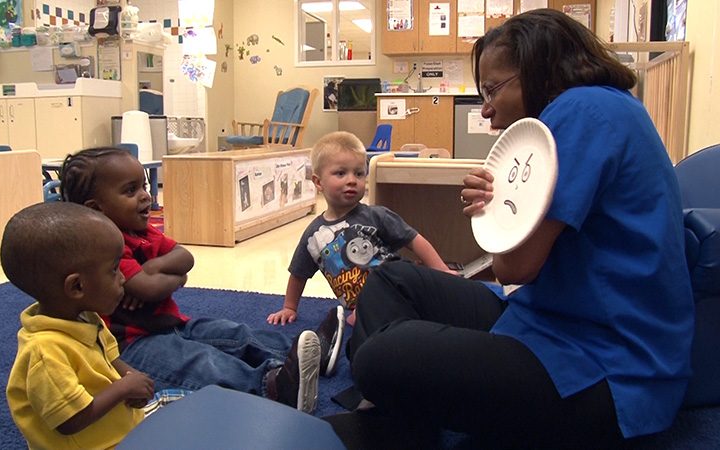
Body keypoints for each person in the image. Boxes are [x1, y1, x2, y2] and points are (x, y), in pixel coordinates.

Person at [343, 9, 694, 449]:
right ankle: (398, 413)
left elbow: (514, 268)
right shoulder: (598, 108)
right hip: (549, 319)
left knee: (379, 357)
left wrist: (492, 211)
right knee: (390, 281)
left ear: (537, 70)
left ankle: (389, 413)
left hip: (609, 368)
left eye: (492, 89)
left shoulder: (583, 111)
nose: (486, 109)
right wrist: (500, 204)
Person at [59, 146, 344, 414]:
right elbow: (149, 288)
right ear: (96, 209)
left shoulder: (142, 233)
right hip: (129, 346)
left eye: (144, 186)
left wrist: (157, 269)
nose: (146, 196)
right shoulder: (103, 250)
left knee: (232, 333)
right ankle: (272, 386)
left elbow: (185, 258)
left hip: (169, 323)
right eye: (130, 190)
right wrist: (167, 278)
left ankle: (307, 354)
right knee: (198, 361)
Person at [3, 202, 155, 449]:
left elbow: (111, 360)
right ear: (76, 287)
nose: (123, 278)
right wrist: (123, 389)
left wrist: (131, 377)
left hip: (121, 431)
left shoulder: (87, 317)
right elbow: (71, 420)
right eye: (114, 269)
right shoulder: (45, 352)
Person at [267, 131, 452, 328]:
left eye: (359, 173)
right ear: (318, 182)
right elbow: (298, 272)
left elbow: (414, 240)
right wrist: (290, 307)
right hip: (366, 305)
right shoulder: (314, 236)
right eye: (341, 173)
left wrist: (441, 270)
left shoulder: (376, 215)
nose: (352, 180)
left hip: (396, 283)